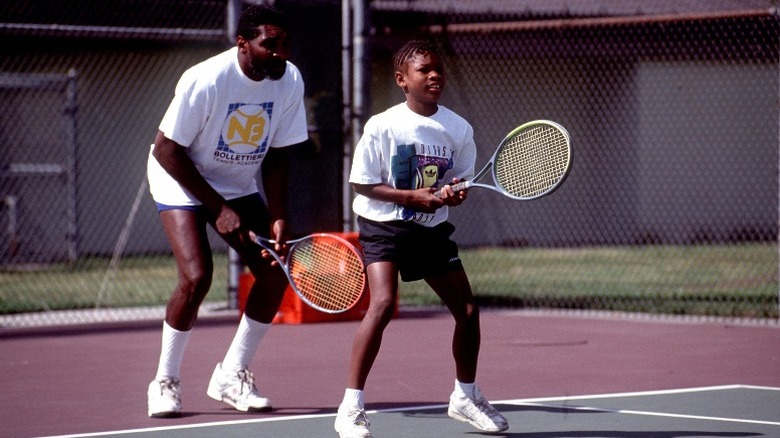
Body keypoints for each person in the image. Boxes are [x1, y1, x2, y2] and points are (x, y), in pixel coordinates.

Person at [334, 40, 509, 437]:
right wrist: (411, 197)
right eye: (424, 70)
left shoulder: (458, 128)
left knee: (466, 311)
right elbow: (362, 183)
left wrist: (455, 194)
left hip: (430, 230)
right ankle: (350, 407)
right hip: (384, 225)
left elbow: (458, 185)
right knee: (381, 303)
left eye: (438, 70)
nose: (434, 76)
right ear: (402, 80)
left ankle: (465, 396)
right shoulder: (383, 125)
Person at [144, 4, 309, 418]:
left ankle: (231, 374)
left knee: (275, 269)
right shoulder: (206, 79)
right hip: (179, 174)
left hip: (234, 180)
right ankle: (165, 380)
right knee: (197, 277)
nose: (280, 52)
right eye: (269, 44)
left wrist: (277, 214)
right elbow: (167, 149)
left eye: (285, 44)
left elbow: (277, 156)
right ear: (243, 44)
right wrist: (217, 208)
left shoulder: (289, 81)